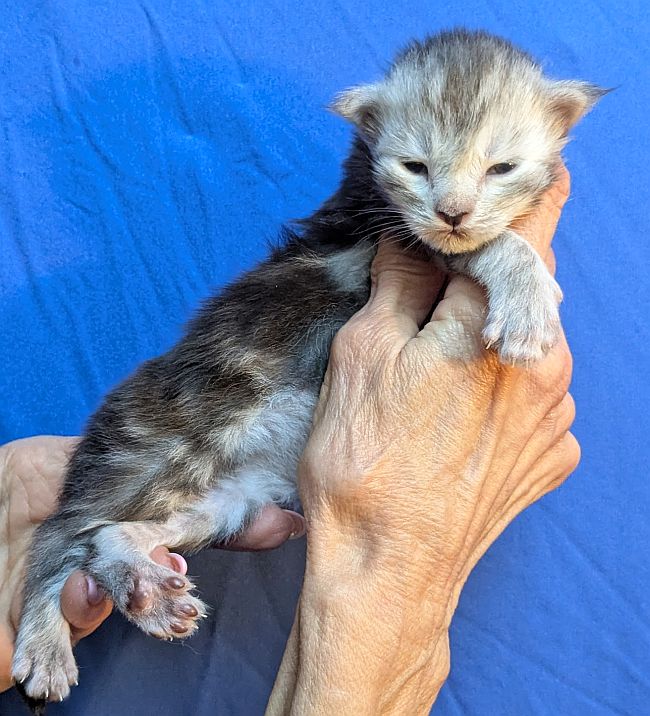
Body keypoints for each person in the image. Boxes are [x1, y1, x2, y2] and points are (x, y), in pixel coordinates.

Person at [0, 167, 578, 713]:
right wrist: (508, 261)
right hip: (247, 396)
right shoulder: (384, 218)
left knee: (213, 507)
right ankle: (71, 573)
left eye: (500, 168)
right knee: (133, 492)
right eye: (419, 166)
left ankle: (122, 547)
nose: (456, 200)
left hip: (277, 443)